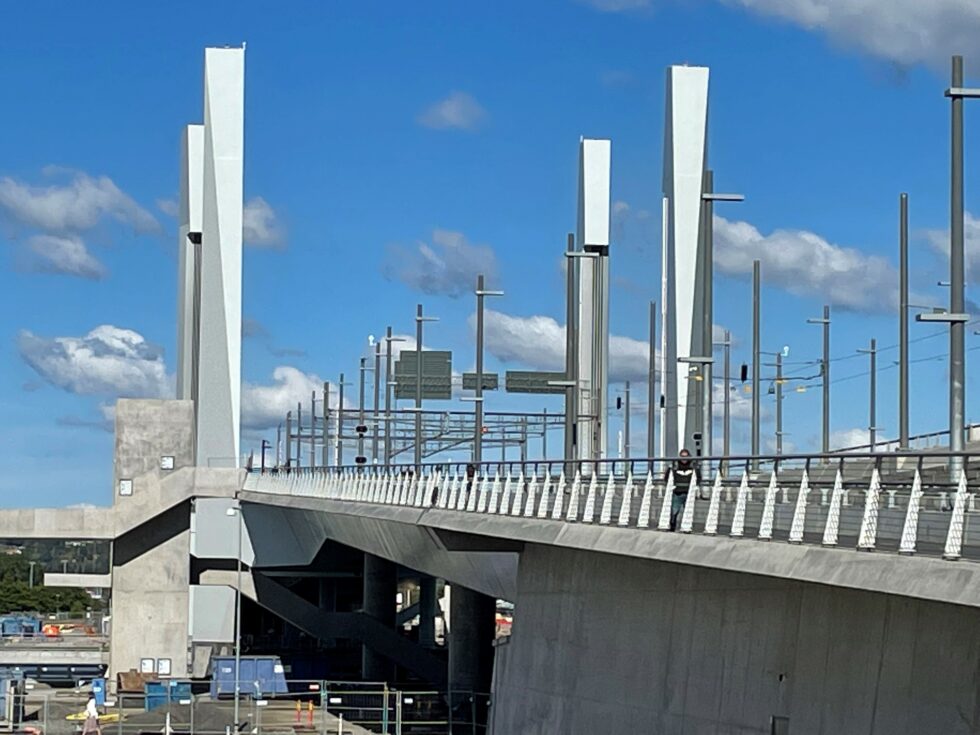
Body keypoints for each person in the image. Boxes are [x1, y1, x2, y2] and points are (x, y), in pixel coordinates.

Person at [666, 448, 700, 531]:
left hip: (689, 493)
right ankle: (672, 527)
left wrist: (695, 487)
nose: (684, 458)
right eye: (682, 456)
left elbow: (699, 477)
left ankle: (686, 528)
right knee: (674, 511)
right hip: (677, 492)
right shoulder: (674, 466)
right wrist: (672, 486)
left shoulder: (693, 467)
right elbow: (667, 477)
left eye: (686, 456)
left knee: (688, 512)